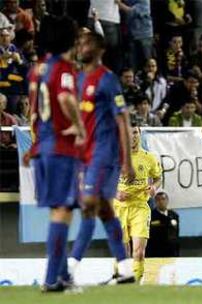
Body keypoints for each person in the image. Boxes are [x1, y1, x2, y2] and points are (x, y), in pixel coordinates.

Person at [67, 32, 136, 285]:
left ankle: (69, 269)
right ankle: (127, 269)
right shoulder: (79, 78)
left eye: (85, 44)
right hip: (85, 155)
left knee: (88, 206)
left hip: (104, 154)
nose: (80, 47)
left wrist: (127, 161)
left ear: (99, 50)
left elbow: (123, 119)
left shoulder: (107, 80)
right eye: (79, 43)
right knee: (106, 212)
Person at [27, 15, 86, 292]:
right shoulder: (64, 68)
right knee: (62, 212)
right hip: (61, 148)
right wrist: (79, 126)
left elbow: (32, 112)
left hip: (43, 147)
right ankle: (52, 278)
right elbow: (65, 97)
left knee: (58, 211)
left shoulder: (37, 69)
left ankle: (61, 277)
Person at [113, 126, 162, 282]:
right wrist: (116, 193)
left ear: (140, 134)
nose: (132, 136)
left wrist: (154, 187)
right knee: (122, 251)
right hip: (119, 208)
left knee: (139, 251)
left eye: (135, 132)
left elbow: (158, 178)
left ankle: (136, 284)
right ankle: (121, 280)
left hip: (140, 207)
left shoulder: (149, 158)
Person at [147, 192, 180, 257]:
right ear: (155, 202)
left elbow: (176, 233)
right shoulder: (150, 215)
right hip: (155, 251)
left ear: (167, 200)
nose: (161, 201)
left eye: (163, 199)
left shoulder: (174, 215)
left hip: (171, 250)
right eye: (158, 200)